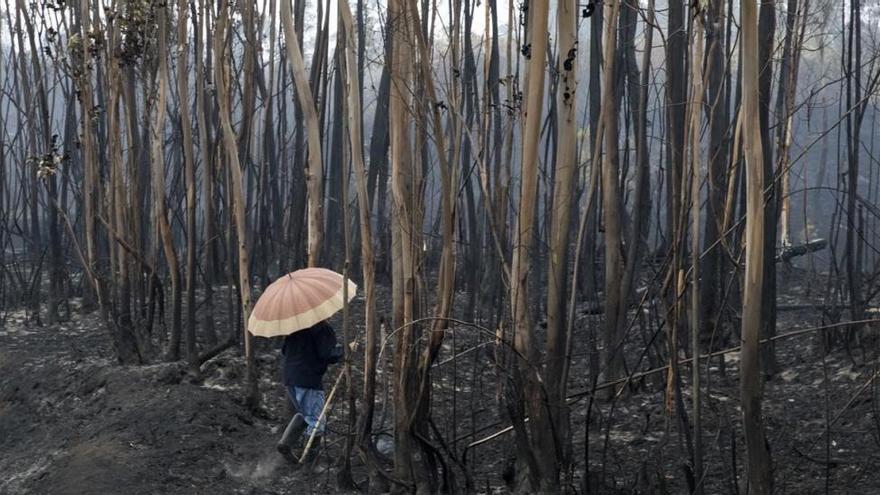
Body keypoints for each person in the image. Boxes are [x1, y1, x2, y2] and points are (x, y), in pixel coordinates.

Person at [275, 320, 343, 463]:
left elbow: (284, 350)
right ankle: (310, 464)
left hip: (290, 379)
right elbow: (328, 354)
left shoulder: (296, 326)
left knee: (306, 414)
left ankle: (285, 444)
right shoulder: (322, 328)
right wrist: (345, 349)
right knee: (317, 421)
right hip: (308, 380)